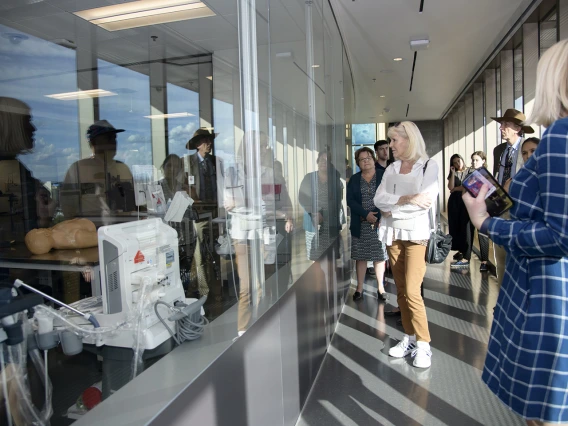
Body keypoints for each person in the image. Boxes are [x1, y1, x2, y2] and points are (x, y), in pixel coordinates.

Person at [463, 39, 568, 426]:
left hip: (546, 293)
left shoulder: (560, 137)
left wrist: (487, 223)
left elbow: (560, 235)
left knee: (543, 413)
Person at [374, 121, 439, 369]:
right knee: (400, 290)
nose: (390, 146)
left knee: (413, 291)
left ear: (409, 140)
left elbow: (426, 201)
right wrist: (405, 199)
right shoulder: (392, 168)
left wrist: (392, 209)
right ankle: (410, 337)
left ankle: (424, 344)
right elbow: (379, 198)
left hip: (416, 235)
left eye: (394, 140)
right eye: (390, 141)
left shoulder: (428, 166)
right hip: (392, 234)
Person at [490, 109, 535, 286]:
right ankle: (501, 302)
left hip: (520, 212)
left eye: (505, 125)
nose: (501, 127)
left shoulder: (529, 150)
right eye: (501, 124)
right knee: (500, 260)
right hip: (500, 209)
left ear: (517, 128)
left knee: (518, 260)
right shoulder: (499, 151)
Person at [60, 120, 135, 224]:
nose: (113, 142)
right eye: (108, 138)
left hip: (121, 230)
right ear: (94, 142)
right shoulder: (79, 169)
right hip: (90, 232)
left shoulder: (123, 168)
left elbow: (132, 203)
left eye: (114, 138)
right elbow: (68, 208)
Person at [184, 128, 224, 297]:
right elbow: (183, 187)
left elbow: (221, 184)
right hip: (198, 214)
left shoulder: (216, 161)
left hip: (215, 213)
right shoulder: (187, 162)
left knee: (216, 249)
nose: (209, 144)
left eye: (209, 140)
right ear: (197, 145)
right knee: (200, 251)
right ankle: (203, 288)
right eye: (205, 141)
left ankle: (215, 284)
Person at [347, 147, 387, 302]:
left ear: (373, 159)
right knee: (360, 257)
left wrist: (376, 216)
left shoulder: (383, 176)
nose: (366, 161)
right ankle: (359, 288)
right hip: (361, 223)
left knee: (379, 256)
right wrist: (365, 214)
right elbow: (350, 200)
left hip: (379, 223)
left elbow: (388, 196)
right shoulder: (355, 179)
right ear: (358, 163)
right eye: (362, 159)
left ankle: (381, 288)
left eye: (368, 158)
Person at [299, 151, 344, 262]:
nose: (324, 162)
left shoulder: (334, 179)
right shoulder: (309, 177)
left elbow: (339, 199)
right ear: (317, 161)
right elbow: (302, 197)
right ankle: (318, 277)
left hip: (330, 221)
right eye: (322, 160)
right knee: (315, 255)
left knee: (330, 255)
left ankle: (329, 278)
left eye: (327, 160)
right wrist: (314, 212)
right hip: (313, 219)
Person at [467, 151, 490, 272]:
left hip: (483, 207)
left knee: (483, 234)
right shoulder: (471, 174)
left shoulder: (486, 175)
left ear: (483, 161)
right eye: (473, 160)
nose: (474, 162)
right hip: (473, 207)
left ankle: (485, 261)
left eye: (476, 160)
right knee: (471, 232)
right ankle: (468, 256)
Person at [447, 154, 471, 268]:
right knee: (455, 226)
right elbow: (450, 187)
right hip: (455, 202)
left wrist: (457, 188)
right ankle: (460, 250)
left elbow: (467, 187)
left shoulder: (470, 171)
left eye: (459, 161)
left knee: (465, 227)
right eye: (455, 162)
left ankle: (466, 254)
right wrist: (452, 173)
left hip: (465, 201)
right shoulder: (454, 173)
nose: (458, 164)